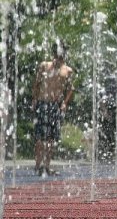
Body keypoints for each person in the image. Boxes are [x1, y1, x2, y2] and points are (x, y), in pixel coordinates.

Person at [31, 40, 74, 176]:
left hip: (55, 106)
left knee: (51, 139)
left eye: (61, 53)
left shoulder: (67, 70)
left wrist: (64, 103)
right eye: (57, 53)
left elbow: (71, 89)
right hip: (42, 103)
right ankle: (38, 166)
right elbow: (36, 84)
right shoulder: (44, 66)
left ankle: (47, 166)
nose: (59, 56)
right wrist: (34, 99)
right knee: (39, 138)